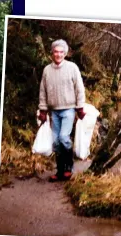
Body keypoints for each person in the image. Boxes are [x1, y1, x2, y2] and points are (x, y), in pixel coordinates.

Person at [38, 39, 86, 182]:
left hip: (68, 110)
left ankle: (69, 168)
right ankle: (59, 171)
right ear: (52, 53)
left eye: (61, 52)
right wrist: (43, 110)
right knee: (56, 142)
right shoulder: (47, 70)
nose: (58, 54)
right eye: (56, 52)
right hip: (54, 111)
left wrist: (80, 107)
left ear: (65, 53)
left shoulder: (72, 68)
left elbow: (79, 88)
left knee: (64, 138)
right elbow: (43, 91)